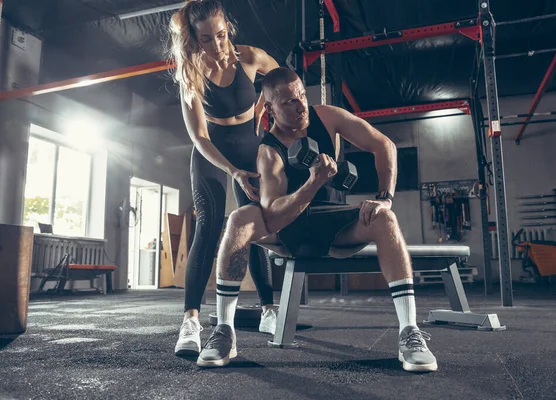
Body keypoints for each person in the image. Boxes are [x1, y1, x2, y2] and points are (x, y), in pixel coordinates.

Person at [196, 68, 438, 372]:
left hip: (335, 223)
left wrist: (384, 196)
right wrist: (312, 183)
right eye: (288, 102)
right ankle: (224, 331)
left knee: (384, 218)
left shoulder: (327, 117)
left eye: (301, 95)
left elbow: (384, 145)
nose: (300, 106)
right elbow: (273, 214)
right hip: (288, 229)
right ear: (270, 108)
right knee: (240, 219)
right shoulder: (269, 151)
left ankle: (410, 332)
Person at [168, 0, 280, 357]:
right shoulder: (192, 73)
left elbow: (283, 82)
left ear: (227, 28)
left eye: (220, 35)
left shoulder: (251, 57)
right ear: (194, 40)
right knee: (209, 226)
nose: (216, 46)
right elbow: (199, 137)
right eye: (206, 39)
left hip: (249, 146)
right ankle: (190, 321)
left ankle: (268, 310)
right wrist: (231, 169)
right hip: (213, 152)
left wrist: (266, 107)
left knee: (254, 224)